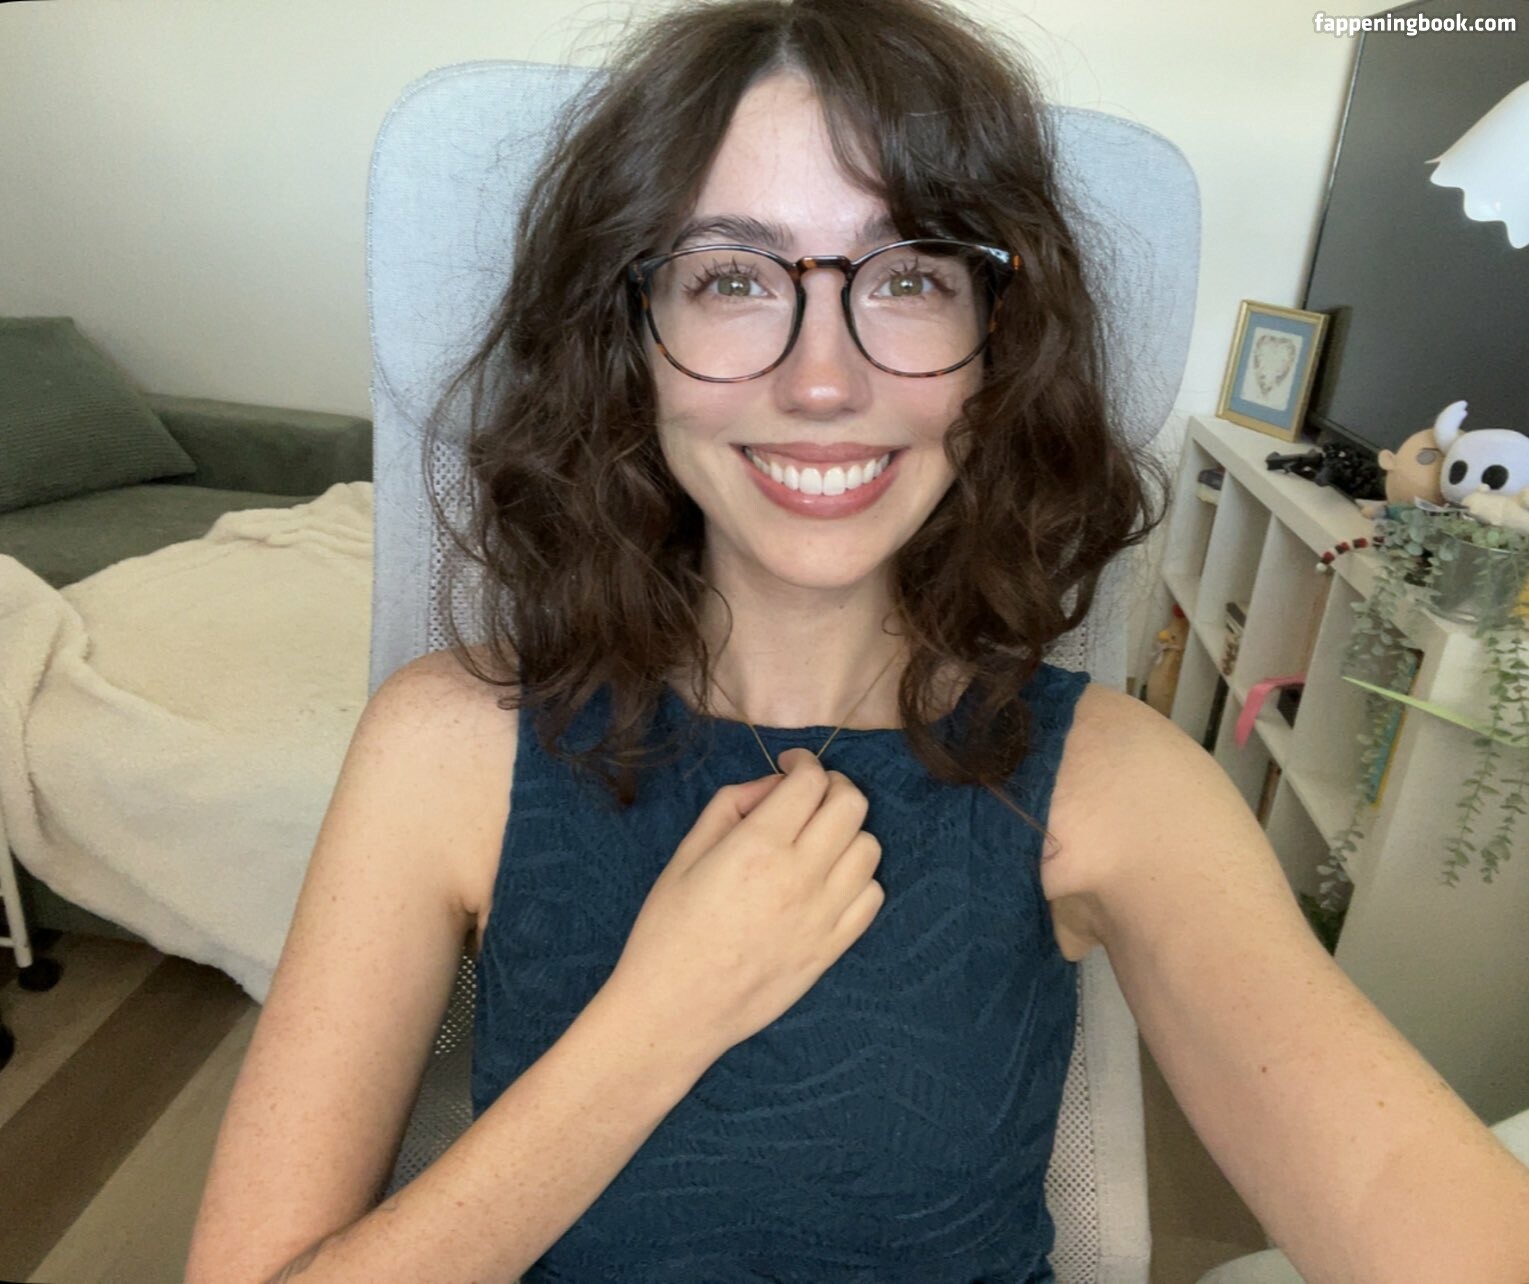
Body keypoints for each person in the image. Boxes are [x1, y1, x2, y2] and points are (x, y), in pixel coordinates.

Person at [186, 0, 1529, 1280]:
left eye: (909, 278)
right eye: (730, 278)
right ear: (627, 341)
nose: (822, 381)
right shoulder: (447, 750)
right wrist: (661, 1019)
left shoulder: (1115, 784)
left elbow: (1405, 1200)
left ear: (993, 350)